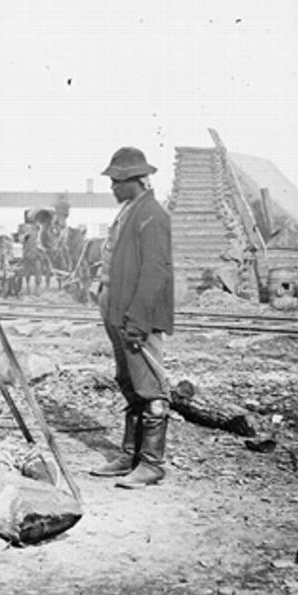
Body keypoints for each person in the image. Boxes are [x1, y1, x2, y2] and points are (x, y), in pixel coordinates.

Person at [90, 147, 174, 488]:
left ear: (135, 181)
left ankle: (151, 463)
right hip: (119, 311)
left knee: (150, 387)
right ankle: (131, 454)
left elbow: (155, 272)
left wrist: (138, 321)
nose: (112, 187)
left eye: (116, 182)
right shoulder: (130, 212)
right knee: (129, 383)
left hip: (137, 316)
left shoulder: (152, 215)